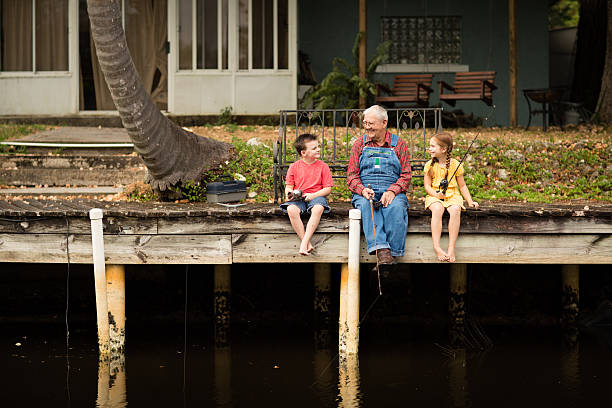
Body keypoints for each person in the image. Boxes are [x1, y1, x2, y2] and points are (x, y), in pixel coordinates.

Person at [347, 105, 411, 265]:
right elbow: (352, 176)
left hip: (392, 190)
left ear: (384, 123)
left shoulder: (399, 145)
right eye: (365, 123)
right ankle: (383, 252)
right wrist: (362, 190)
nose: (367, 127)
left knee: (395, 208)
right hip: (366, 191)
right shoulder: (359, 145)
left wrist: (392, 191)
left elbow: (406, 175)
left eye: (371, 123)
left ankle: (393, 254)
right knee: (367, 206)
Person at [424, 132, 479, 262]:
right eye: (429, 146)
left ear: (444, 149)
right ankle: (437, 247)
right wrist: (435, 194)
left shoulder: (455, 165)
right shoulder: (429, 165)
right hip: (435, 195)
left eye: (433, 146)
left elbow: (463, 186)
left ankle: (451, 248)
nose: (429, 148)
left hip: (453, 195)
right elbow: (427, 186)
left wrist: (470, 201)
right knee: (437, 209)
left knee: (455, 210)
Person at [280, 133, 333, 255]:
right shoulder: (294, 167)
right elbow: (288, 186)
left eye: (318, 146)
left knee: (318, 208)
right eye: (314, 148)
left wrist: (313, 196)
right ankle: (306, 242)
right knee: (291, 209)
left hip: (316, 196)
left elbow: (327, 188)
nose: (318, 149)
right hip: (299, 198)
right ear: (303, 153)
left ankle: (304, 242)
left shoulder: (323, 167)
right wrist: (289, 193)